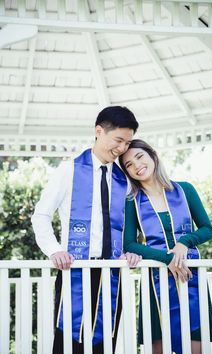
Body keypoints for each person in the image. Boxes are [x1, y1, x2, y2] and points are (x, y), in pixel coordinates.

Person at [31, 106, 142, 354]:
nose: (123, 149)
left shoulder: (124, 179)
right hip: (75, 271)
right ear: (99, 131)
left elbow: (129, 226)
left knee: (105, 345)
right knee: (68, 344)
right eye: (119, 140)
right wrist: (54, 250)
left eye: (127, 142)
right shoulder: (69, 170)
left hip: (112, 273)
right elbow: (41, 215)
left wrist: (130, 251)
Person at [119, 139, 212, 354]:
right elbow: (129, 244)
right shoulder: (132, 201)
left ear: (152, 155)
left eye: (139, 157)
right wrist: (167, 258)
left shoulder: (185, 190)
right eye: (128, 164)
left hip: (191, 278)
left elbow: (207, 229)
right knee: (159, 346)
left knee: (195, 346)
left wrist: (184, 243)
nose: (136, 166)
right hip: (155, 283)